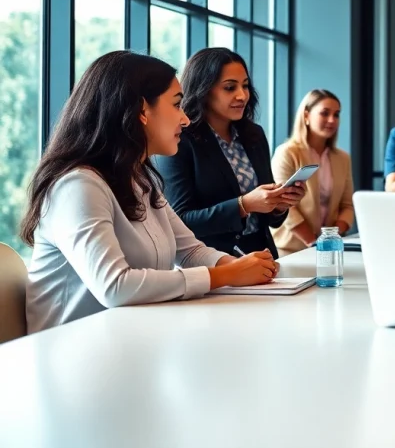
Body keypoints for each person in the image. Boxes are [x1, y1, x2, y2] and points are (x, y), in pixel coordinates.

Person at [21, 51, 280, 333]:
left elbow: (190, 251)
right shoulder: (78, 185)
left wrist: (241, 266)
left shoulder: (140, 179)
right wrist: (225, 274)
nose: (186, 120)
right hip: (73, 353)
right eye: (177, 105)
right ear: (142, 111)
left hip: (130, 339)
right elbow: (115, 286)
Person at [153, 48, 303, 259]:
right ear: (203, 89)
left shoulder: (254, 135)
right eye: (230, 87)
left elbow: (268, 219)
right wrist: (244, 204)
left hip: (264, 257)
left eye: (245, 86)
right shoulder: (180, 140)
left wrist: (278, 204)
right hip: (212, 263)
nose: (242, 95)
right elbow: (181, 221)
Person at [271, 89, 355, 255]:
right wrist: (312, 242)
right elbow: (284, 205)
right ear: (307, 116)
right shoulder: (287, 153)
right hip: (290, 250)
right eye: (324, 113)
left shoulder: (342, 158)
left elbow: (347, 206)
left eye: (336, 114)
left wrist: (331, 239)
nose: (332, 120)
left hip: (329, 249)